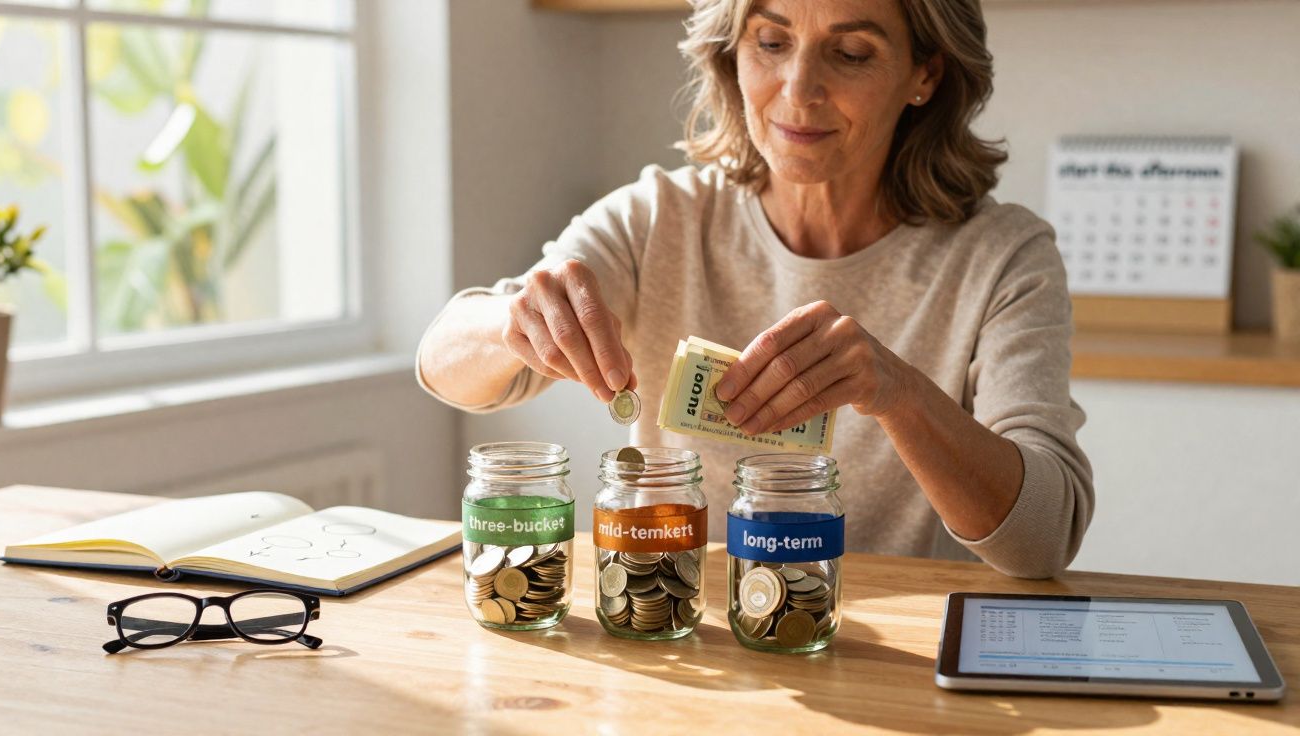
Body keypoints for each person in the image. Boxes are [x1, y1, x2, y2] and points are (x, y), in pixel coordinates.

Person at [417, 0, 1093, 578]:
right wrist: (514, 320)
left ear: (924, 73)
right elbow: (442, 366)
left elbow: (1042, 540)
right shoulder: (656, 219)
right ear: (732, 55)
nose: (799, 89)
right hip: (683, 634)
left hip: (907, 669)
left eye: (852, 53)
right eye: (771, 43)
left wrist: (899, 393)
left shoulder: (1005, 257)